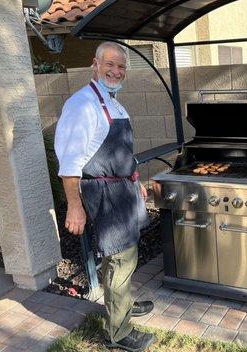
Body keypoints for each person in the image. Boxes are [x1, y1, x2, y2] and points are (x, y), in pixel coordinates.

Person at [55, 41, 155, 352]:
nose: (116, 70)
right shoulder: (81, 105)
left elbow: (120, 150)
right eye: (109, 64)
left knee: (127, 254)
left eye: (121, 66)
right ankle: (119, 333)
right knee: (119, 258)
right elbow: (69, 164)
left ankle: (121, 304)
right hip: (105, 194)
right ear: (95, 64)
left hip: (123, 189)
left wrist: (134, 179)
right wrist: (75, 207)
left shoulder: (113, 102)